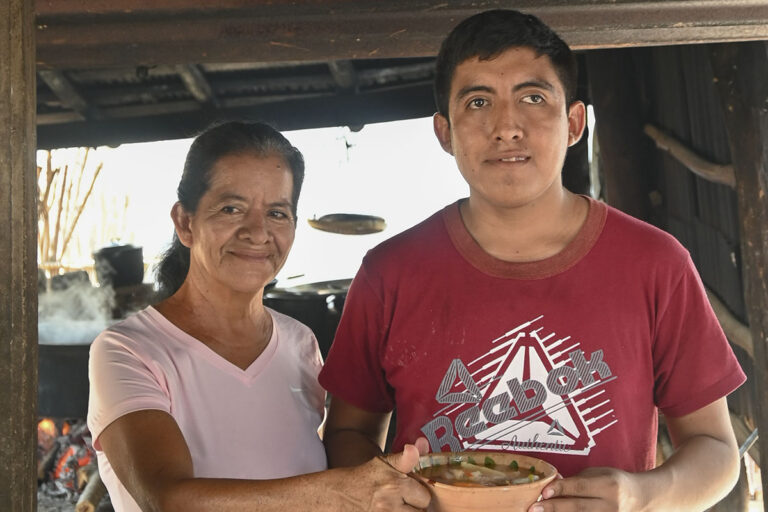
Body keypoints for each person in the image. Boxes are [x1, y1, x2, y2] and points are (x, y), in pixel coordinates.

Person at [319, 9, 746, 511]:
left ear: (574, 123)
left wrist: (639, 494)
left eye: (533, 97)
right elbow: (348, 432)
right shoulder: (389, 273)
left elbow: (717, 452)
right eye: (478, 101)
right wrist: (385, 495)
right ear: (444, 133)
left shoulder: (656, 264)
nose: (506, 126)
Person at [87, 121, 431, 512]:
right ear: (185, 222)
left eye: (277, 213)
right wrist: (339, 491)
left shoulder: (300, 343)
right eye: (231, 208)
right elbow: (169, 499)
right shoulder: (128, 351)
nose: (257, 231)